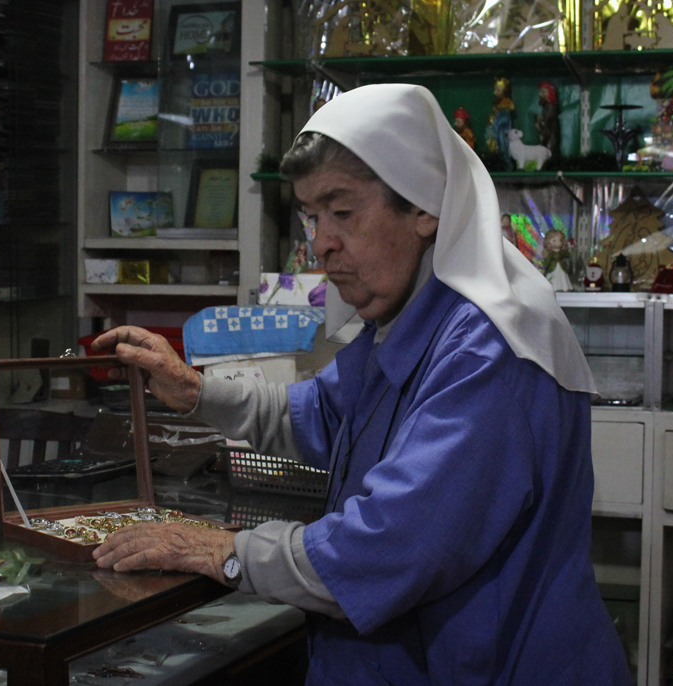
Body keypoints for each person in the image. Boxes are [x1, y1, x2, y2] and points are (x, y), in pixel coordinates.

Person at [91, 83, 631, 685]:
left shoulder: (490, 347)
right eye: (312, 217)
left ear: (425, 207)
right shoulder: (412, 316)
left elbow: (387, 550)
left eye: (342, 212)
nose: (321, 243)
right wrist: (194, 389)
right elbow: (323, 412)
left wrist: (221, 551)